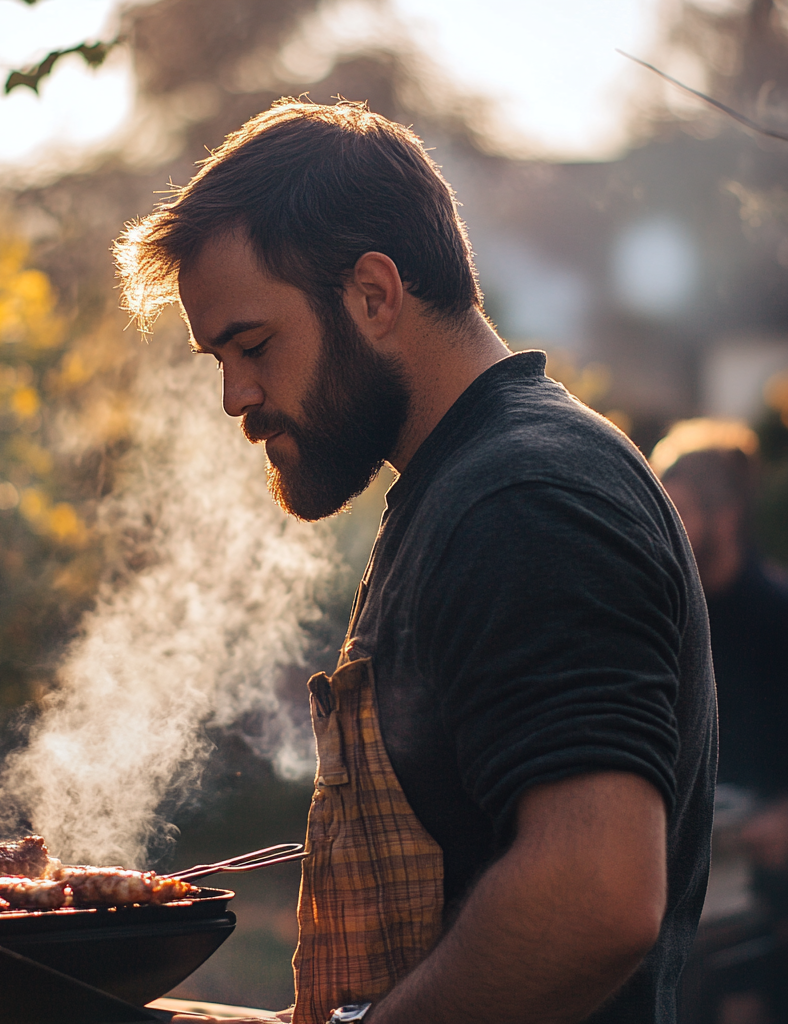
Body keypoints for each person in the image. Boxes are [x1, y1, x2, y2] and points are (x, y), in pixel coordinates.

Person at [114, 100, 716, 1024]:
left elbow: (597, 894)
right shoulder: (466, 491)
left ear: (374, 295)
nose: (235, 396)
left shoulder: (524, 499)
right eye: (219, 359)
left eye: (254, 345)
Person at [652, 420, 788, 1023]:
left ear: (726, 518)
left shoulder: (779, 619)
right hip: (683, 911)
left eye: (676, 512)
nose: (661, 531)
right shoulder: (664, 624)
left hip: (768, 912)